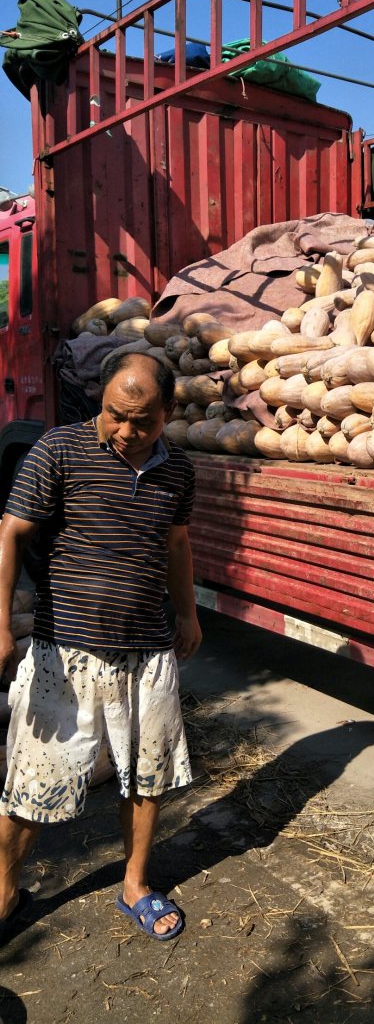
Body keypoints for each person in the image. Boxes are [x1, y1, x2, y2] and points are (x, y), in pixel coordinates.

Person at [0, 350, 202, 943]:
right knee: (33, 783)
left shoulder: (178, 471)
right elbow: (9, 533)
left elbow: (178, 545)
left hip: (147, 649)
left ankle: (135, 883)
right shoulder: (58, 450)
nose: (126, 432)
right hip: (65, 651)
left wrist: (188, 613)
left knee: (148, 776)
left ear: (168, 412)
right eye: (115, 415)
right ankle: (6, 889)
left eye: (144, 421)